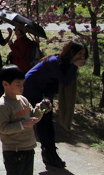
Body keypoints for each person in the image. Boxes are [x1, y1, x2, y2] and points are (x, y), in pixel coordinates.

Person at [0, 65, 50, 175]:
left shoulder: (23, 100)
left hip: (28, 149)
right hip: (14, 152)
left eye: (22, 84)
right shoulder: (2, 106)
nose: (22, 87)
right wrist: (22, 124)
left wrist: (41, 109)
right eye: (18, 84)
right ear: (5, 84)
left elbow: (33, 117)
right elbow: (4, 129)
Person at [23, 39, 87, 168]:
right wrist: (74, 66)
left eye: (84, 55)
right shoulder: (54, 61)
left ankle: (51, 153)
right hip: (33, 91)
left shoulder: (67, 63)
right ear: (70, 52)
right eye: (79, 54)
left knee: (48, 122)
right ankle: (48, 154)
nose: (82, 57)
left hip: (45, 92)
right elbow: (64, 81)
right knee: (42, 122)